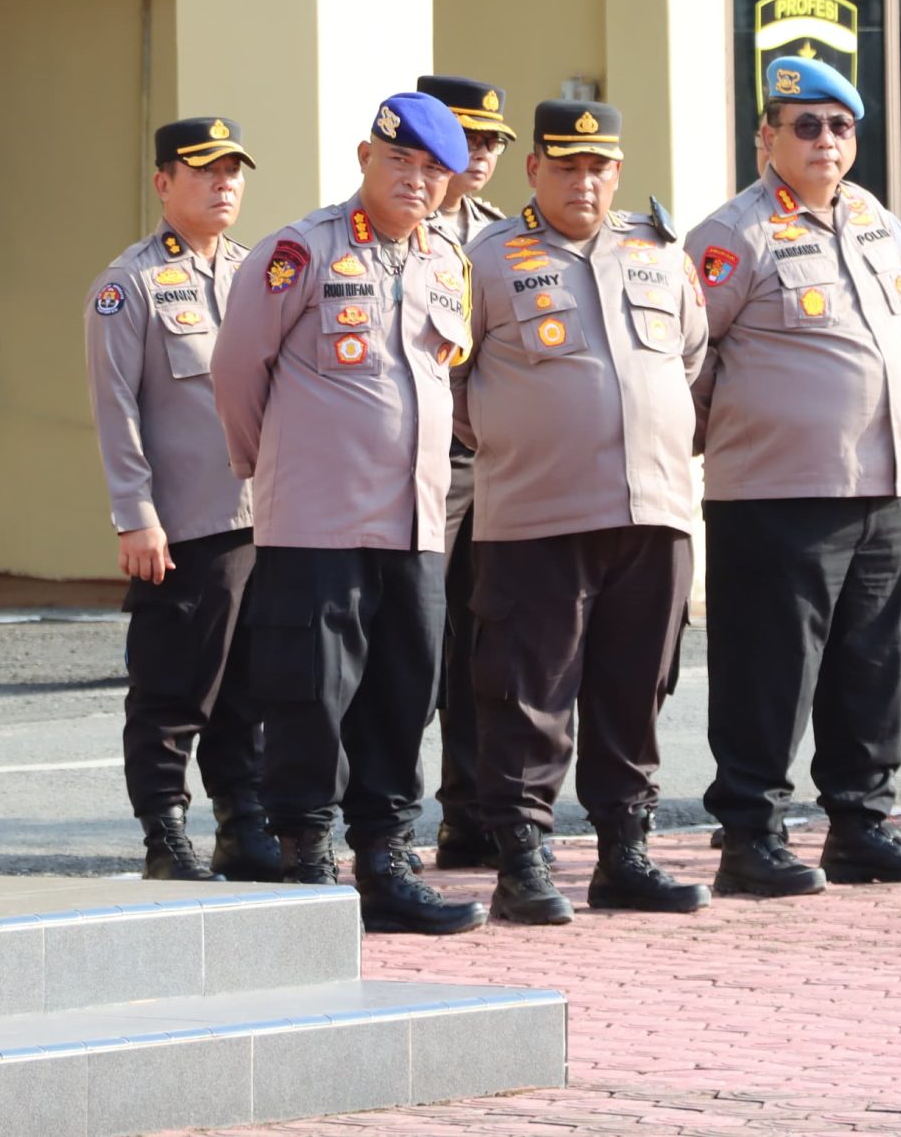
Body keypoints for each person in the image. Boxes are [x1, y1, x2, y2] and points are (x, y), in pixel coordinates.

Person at [212, 91, 486, 934]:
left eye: (433, 170)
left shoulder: (447, 261)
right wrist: (275, 469)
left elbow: (446, 378)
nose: (416, 180)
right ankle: (305, 863)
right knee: (308, 696)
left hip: (416, 523)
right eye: (400, 160)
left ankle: (386, 862)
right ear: (367, 157)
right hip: (316, 521)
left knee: (404, 694)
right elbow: (237, 371)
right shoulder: (301, 250)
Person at [684, 55, 901, 897]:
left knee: (872, 667)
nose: (825, 140)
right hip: (775, 493)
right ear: (767, 136)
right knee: (770, 673)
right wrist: (734, 437)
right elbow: (687, 358)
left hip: (877, 485)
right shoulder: (734, 233)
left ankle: (860, 824)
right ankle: (750, 836)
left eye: (840, 126)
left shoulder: (875, 220)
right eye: (805, 125)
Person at [453, 99, 711, 925]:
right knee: (525, 692)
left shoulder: (658, 249)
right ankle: (521, 859)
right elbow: (451, 379)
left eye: (598, 167)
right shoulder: (487, 258)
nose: (584, 182)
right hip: (538, 513)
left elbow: (691, 356)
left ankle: (624, 854)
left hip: (654, 509)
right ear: (534, 169)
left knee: (636, 688)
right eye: (566, 166)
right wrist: (524, 434)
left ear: (618, 172)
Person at [83, 117, 277, 882]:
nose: (223, 184)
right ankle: (164, 834)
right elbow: (115, 410)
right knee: (172, 688)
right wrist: (135, 515)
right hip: (186, 524)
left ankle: (244, 823)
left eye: (233, 170)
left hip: (266, 517)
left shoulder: (259, 272)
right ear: (163, 183)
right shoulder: (127, 283)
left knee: (250, 686)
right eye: (204, 171)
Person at [412, 74, 520, 871]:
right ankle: (367, 816)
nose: (480, 154)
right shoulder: (392, 224)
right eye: (467, 137)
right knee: (412, 639)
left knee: (489, 640)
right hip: (415, 460)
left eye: (491, 142)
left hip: (492, 459)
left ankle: (472, 813)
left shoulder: (497, 234)